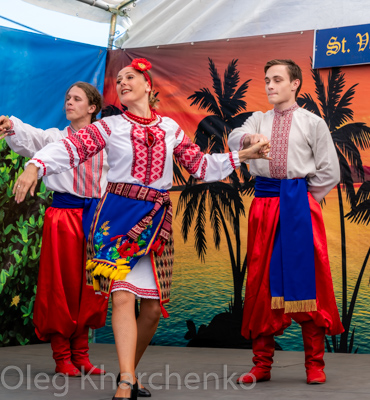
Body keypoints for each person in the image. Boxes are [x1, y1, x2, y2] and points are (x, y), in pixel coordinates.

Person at [10, 58, 271, 400]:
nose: (122, 82)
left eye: (130, 77)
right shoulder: (109, 127)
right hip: (116, 217)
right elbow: (69, 148)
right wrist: (36, 165)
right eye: (118, 79)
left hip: (155, 221)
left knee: (150, 309)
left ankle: (127, 371)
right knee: (121, 296)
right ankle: (126, 382)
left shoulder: (170, 129)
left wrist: (242, 156)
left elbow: (202, 166)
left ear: (148, 85)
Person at [228, 59, 344, 385]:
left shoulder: (312, 122)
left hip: (298, 207)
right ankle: (261, 365)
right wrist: (250, 137)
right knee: (262, 282)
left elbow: (328, 171)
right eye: (267, 80)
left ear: (295, 84)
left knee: (309, 280)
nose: (270, 86)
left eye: (277, 79)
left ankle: (315, 364)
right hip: (264, 206)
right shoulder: (258, 120)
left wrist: (304, 202)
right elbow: (234, 137)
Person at [0, 82, 108, 377]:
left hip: (97, 218)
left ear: (92, 108)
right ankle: (62, 357)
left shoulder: (105, 141)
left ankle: (82, 356)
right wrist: (10, 124)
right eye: (67, 98)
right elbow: (28, 137)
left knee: (90, 286)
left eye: (77, 99)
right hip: (64, 217)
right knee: (61, 285)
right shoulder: (55, 138)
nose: (69, 103)